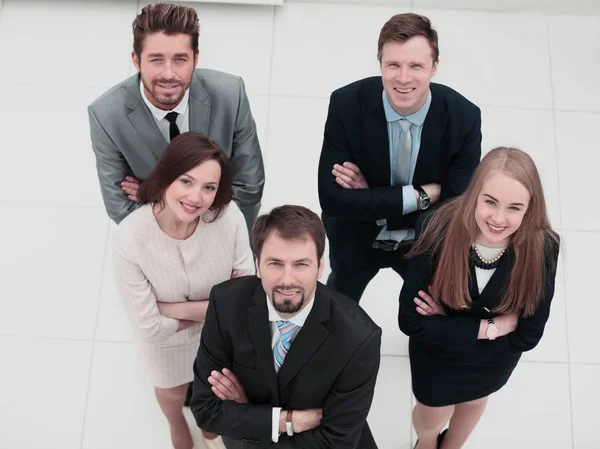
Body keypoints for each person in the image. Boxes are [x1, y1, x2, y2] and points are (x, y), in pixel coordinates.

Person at [398, 147, 560, 449]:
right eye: (490, 202)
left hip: (490, 365)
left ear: (530, 208)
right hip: (437, 359)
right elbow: (410, 319)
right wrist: (490, 328)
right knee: (431, 417)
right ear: (474, 194)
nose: (499, 218)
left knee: (473, 403)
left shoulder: (544, 247)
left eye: (514, 207)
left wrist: (446, 323)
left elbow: (528, 334)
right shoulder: (435, 229)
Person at [317, 13, 482, 303]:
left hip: (423, 244)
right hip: (355, 238)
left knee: (425, 323)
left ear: (434, 67)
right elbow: (331, 199)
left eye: (416, 65)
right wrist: (421, 195)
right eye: (393, 64)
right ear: (380, 62)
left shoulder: (464, 118)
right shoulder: (346, 104)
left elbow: (455, 210)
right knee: (334, 314)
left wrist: (370, 197)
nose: (403, 78)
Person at [189, 205, 382, 449]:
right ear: (257, 265)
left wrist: (246, 412)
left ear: (320, 267)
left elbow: (336, 441)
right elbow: (206, 410)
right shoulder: (225, 303)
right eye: (275, 264)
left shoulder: (359, 338)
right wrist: (286, 421)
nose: (287, 280)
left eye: (301, 264)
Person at [112, 132, 255, 449]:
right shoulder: (130, 239)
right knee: (172, 391)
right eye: (186, 182)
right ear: (166, 175)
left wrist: (171, 309)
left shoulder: (228, 216)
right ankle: (175, 421)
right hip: (166, 347)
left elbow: (245, 297)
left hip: (219, 338)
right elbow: (150, 328)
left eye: (209, 188)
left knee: (214, 386)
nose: (196, 198)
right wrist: (215, 308)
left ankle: (207, 425)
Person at [88, 2, 264, 235]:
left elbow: (249, 188)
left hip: (225, 239)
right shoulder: (106, 115)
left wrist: (154, 193)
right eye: (156, 60)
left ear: (196, 58)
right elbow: (121, 208)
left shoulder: (231, 94)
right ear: (136, 60)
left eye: (180, 59)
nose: (169, 74)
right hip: (158, 249)